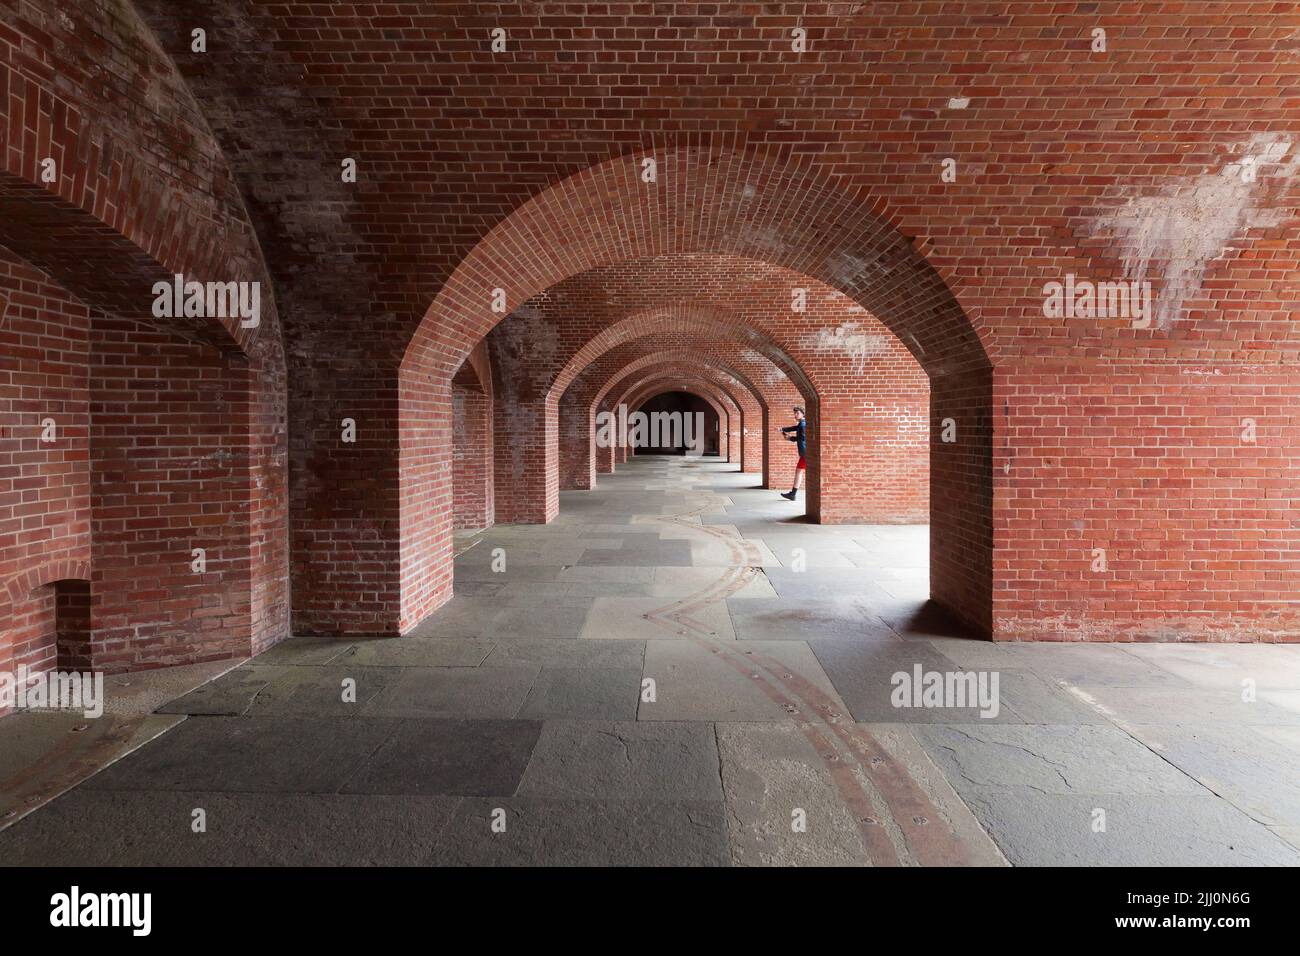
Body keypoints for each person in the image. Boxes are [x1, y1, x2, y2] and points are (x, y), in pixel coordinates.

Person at [780, 406, 806, 500]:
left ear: (803, 413)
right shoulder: (801, 424)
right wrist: (783, 429)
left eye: (797, 413)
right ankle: (793, 494)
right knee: (799, 472)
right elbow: (794, 428)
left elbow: (803, 438)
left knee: (799, 472)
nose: (795, 415)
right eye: (795, 413)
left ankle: (793, 494)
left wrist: (790, 438)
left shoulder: (803, 424)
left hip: (805, 454)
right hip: (804, 454)